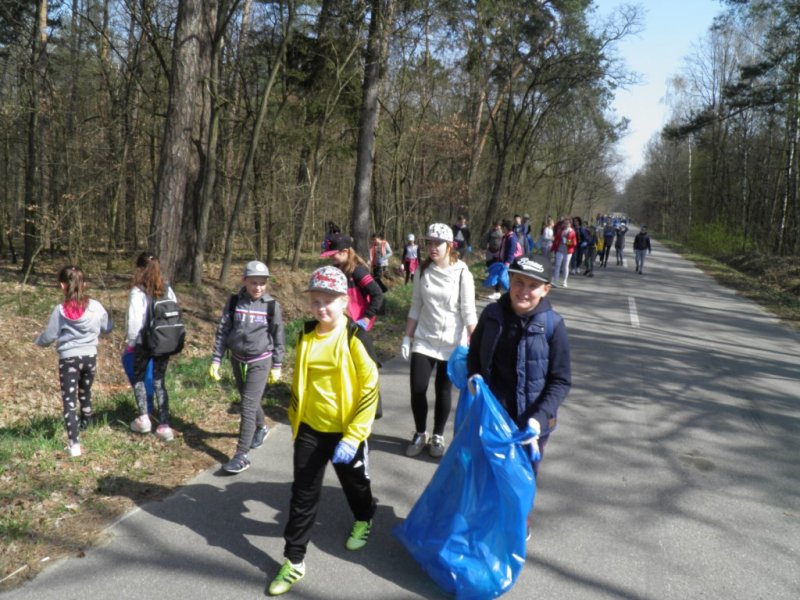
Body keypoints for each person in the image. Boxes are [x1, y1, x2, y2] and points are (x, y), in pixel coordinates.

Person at [267, 266, 379, 596]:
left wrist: (355, 435)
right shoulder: (305, 335)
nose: (321, 308)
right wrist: (296, 423)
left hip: (347, 432)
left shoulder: (355, 338)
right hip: (310, 430)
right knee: (302, 495)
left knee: (356, 486)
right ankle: (294, 560)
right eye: (315, 301)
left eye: (329, 301)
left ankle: (365, 517)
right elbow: (301, 381)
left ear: (345, 301)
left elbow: (370, 388)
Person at [466, 256, 571, 532]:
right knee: (488, 474)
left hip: (532, 426)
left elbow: (561, 381)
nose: (524, 291)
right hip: (494, 417)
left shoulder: (553, 326)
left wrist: (539, 418)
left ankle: (516, 526)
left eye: (533, 285)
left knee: (522, 480)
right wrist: (473, 377)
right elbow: (474, 355)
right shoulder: (491, 315)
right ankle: (486, 527)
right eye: (518, 282)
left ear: (545, 289)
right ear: (509, 282)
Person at [401, 223, 478, 458]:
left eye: (438, 243)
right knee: (417, 389)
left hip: (452, 343)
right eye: (429, 242)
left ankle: (437, 434)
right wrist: (407, 336)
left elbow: (468, 312)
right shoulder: (422, 272)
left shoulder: (463, 273)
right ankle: (420, 432)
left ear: (450, 246)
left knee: (443, 391)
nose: (432, 247)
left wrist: (474, 345)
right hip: (424, 338)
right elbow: (416, 305)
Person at [209, 260, 285, 474]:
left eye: (262, 283)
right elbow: (223, 330)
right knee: (247, 400)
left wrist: (277, 364)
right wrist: (216, 359)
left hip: (261, 359)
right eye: (254, 283)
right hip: (237, 358)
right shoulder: (234, 302)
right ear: (244, 281)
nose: (258, 287)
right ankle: (261, 427)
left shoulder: (271, 305)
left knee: (248, 406)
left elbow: (278, 335)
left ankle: (241, 455)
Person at [35, 266, 113, 457]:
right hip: (90, 357)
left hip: (68, 359)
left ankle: (74, 444)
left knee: (69, 401)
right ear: (84, 284)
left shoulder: (60, 311)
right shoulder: (96, 307)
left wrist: (38, 342)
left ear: (62, 285)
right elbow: (107, 327)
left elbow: (49, 336)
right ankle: (88, 422)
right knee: (85, 391)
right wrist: (110, 322)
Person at [126, 252, 179, 442]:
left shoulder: (138, 291)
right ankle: (164, 425)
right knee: (159, 381)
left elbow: (134, 321)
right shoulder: (167, 289)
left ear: (140, 268)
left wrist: (131, 343)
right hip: (164, 342)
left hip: (143, 342)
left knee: (139, 378)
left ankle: (144, 418)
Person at [321, 235, 384, 331]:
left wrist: (367, 318)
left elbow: (378, 294)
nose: (330, 256)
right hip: (341, 322)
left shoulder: (358, 272)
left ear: (345, 252)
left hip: (358, 323)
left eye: (333, 254)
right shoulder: (335, 270)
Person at [552, 217, 576, 287]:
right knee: (557, 265)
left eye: (567, 223)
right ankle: (555, 281)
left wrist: (567, 242)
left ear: (570, 224)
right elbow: (556, 238)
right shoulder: (560, 230)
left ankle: (564, 281)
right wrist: (554, 245)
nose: (565, 224)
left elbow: (574, 243)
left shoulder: (572, 232)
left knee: (565, 266)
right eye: (564, 223)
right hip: (560, 249)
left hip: (568, 251)